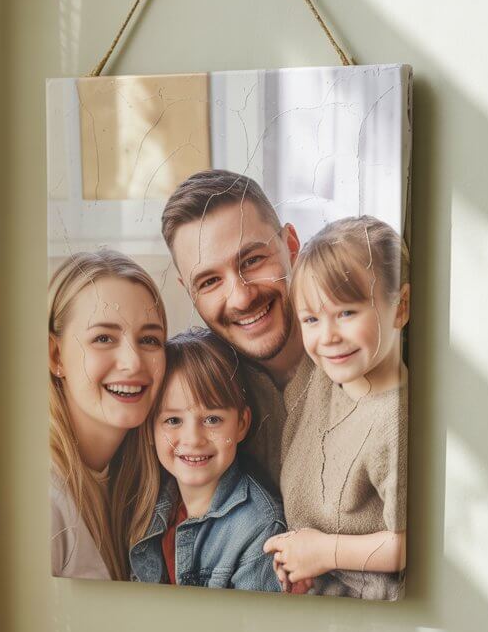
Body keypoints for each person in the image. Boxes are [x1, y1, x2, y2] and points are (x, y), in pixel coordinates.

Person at [263, 217, 409, 600]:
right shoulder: (323, 377)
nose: (327, 336)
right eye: (311, 319)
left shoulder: (394, 421)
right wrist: (301, 559)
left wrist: (323, 553)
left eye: (346, 313)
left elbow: (414, 542)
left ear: (401, 307)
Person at [161, 169, 308, 491]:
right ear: (190, 292)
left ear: (291, 245)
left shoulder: (369, 350)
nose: (242, 298)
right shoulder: (198, 387)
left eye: (253, 260)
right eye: (210, 281)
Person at [129, 331, 286, 591]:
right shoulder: (146, 506)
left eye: (212, 419)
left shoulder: (260, 528)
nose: (193, 439)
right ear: (149, 430)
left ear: (241, 424)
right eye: (173, 420)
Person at [49, 249, 167, 580]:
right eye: (103, 338)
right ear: (55, 355)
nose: (133, 362)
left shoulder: (149, 481)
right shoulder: (44, 501)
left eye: (149, 339)